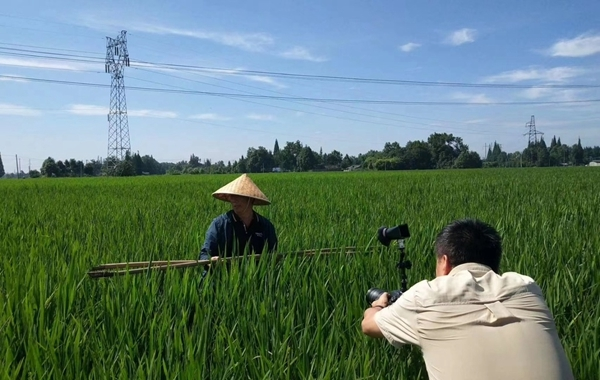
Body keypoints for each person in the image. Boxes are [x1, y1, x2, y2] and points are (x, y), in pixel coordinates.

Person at [361, 218, 574, 380]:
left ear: (444, 262)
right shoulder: (527, 287)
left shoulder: (425, 296)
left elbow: (369, 326)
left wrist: (380, 303)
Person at [198, 173, 278, 271]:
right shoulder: (219, 224)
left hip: (254, 279)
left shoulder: (265, 226)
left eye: (238, 196)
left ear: (250, 199)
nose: (234, 200)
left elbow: (273, 255)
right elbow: (205, 254)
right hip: (223, 279)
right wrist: (211, 261)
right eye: (232, 196)